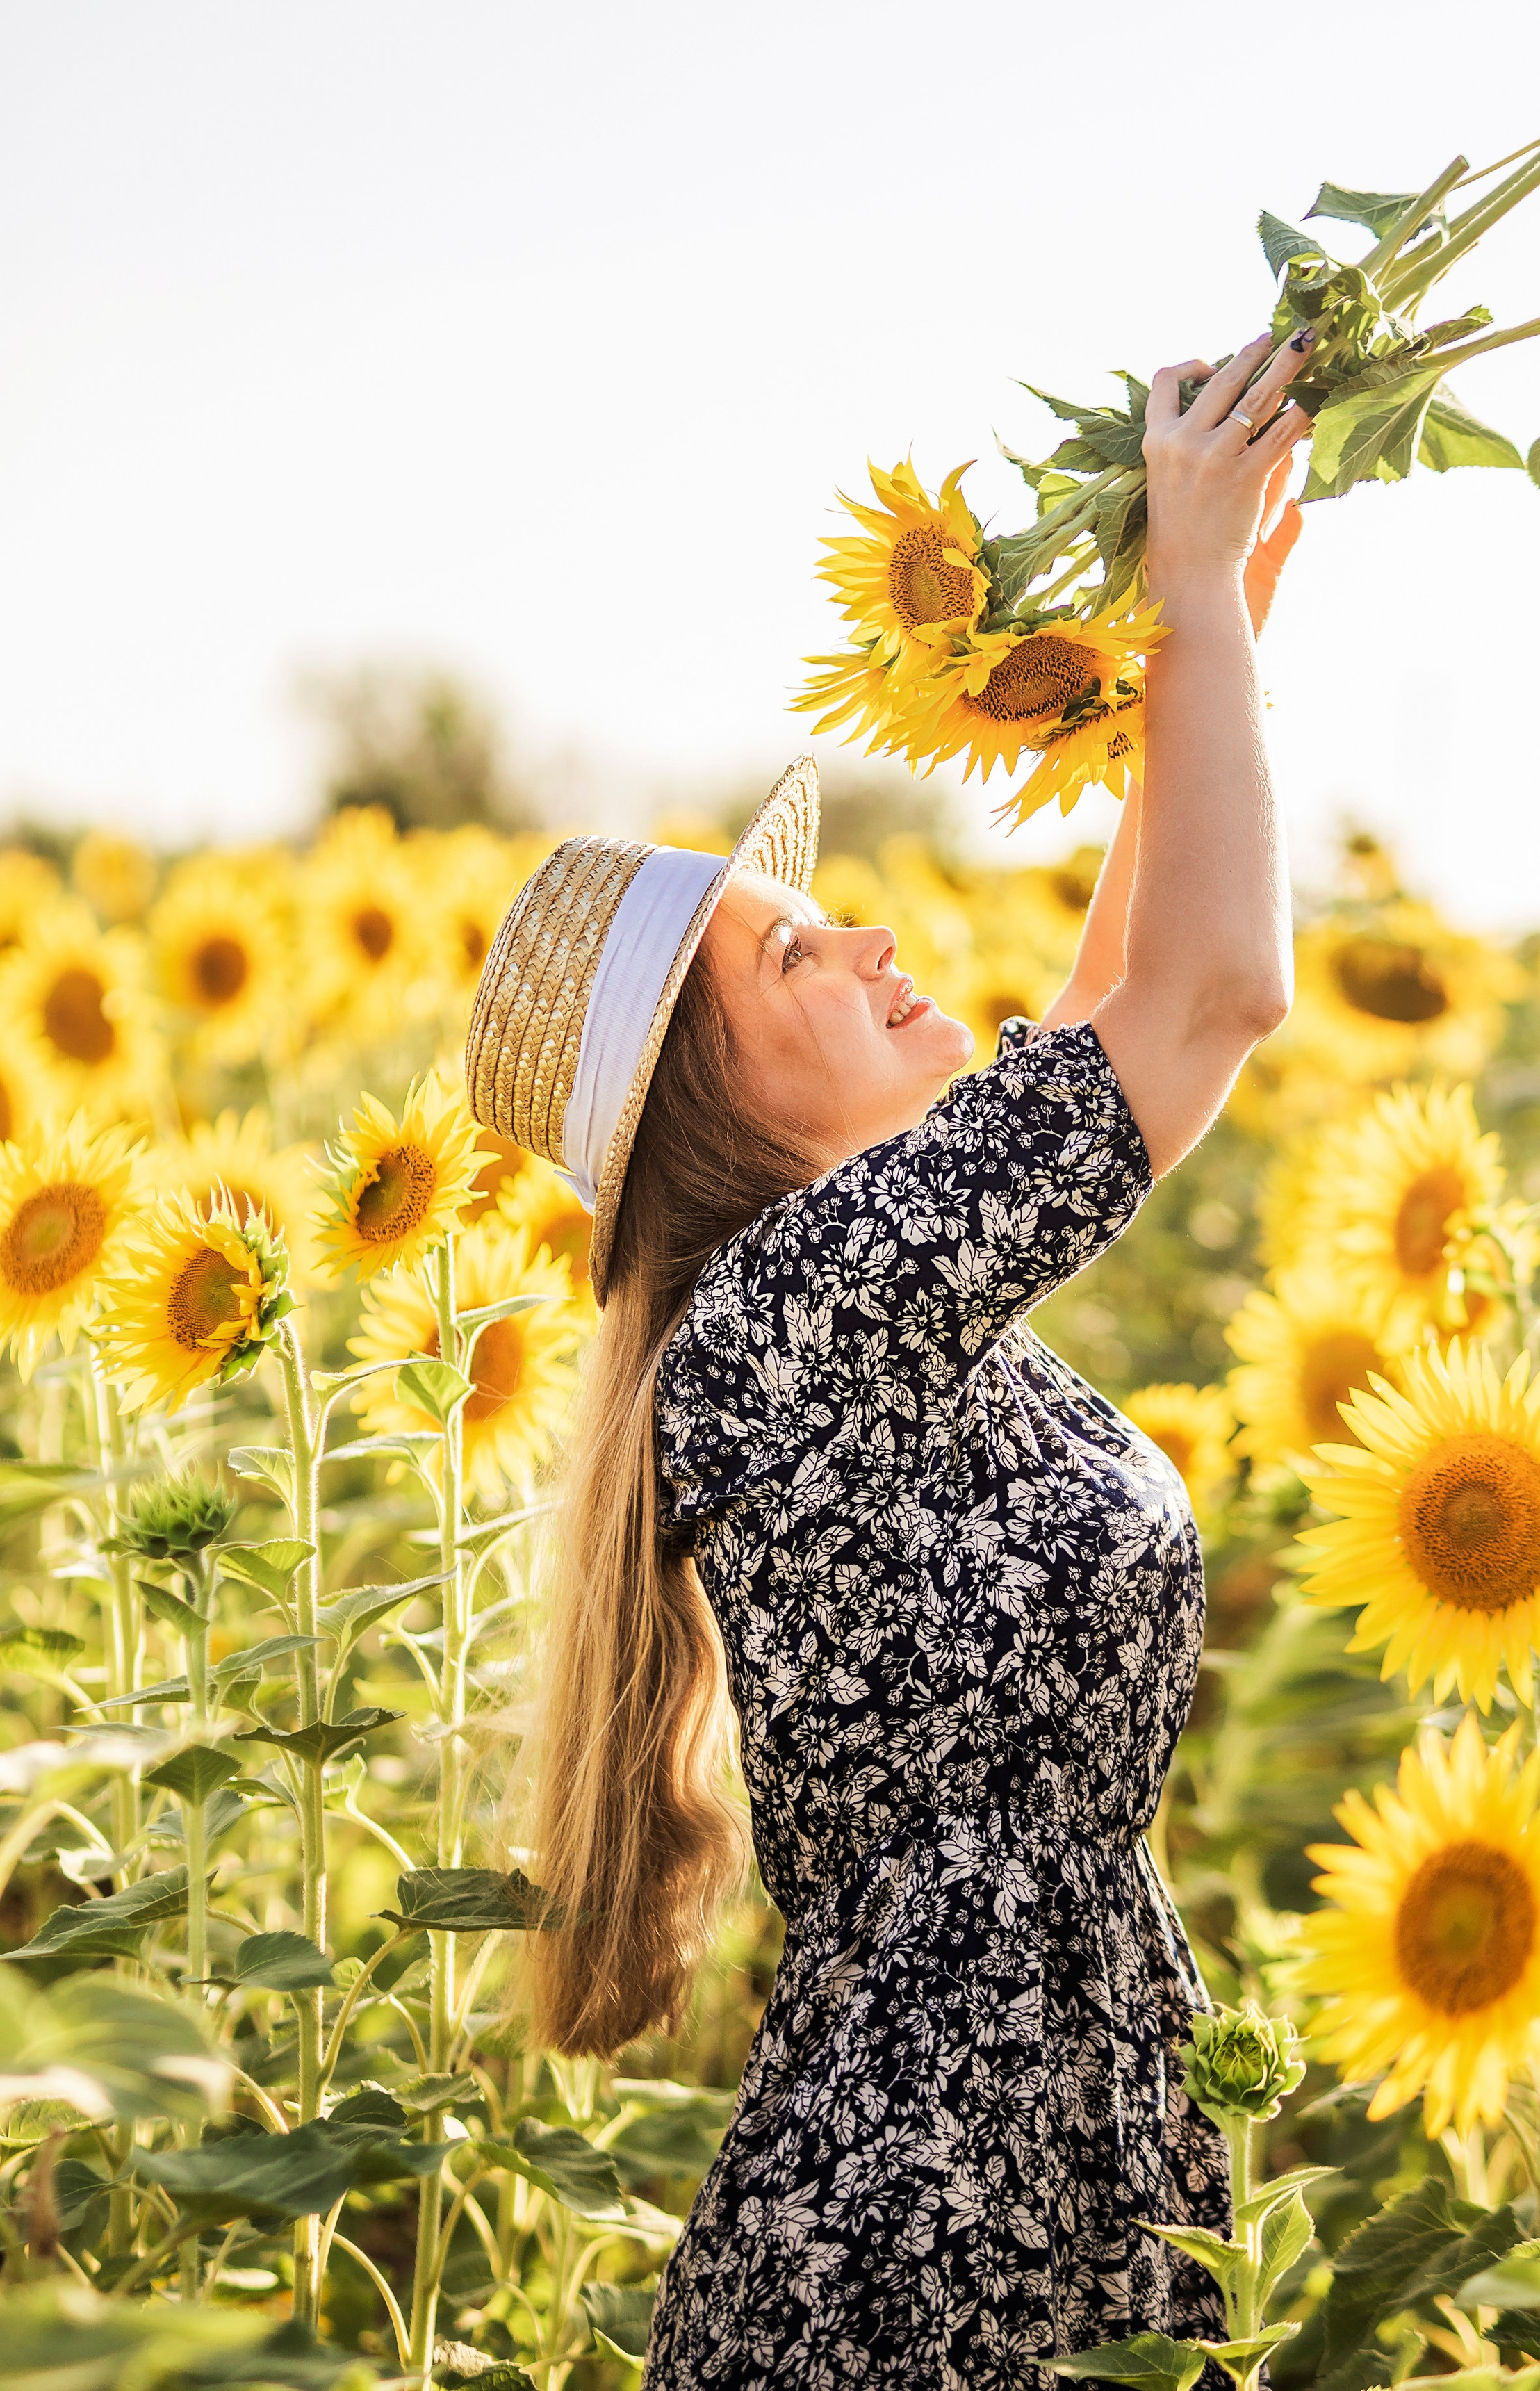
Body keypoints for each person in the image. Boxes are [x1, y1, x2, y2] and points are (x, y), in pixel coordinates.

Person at [464, 323, 1316, 2390]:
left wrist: (1190, 671)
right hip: (933, 2226)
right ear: (712, 1104)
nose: (864, 938)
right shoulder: (800, 1307)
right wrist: (1185, 598)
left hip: (995, 2156)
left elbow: (1115, 985)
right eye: (788, 953)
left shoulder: (834, 1299)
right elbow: (1208, 997)